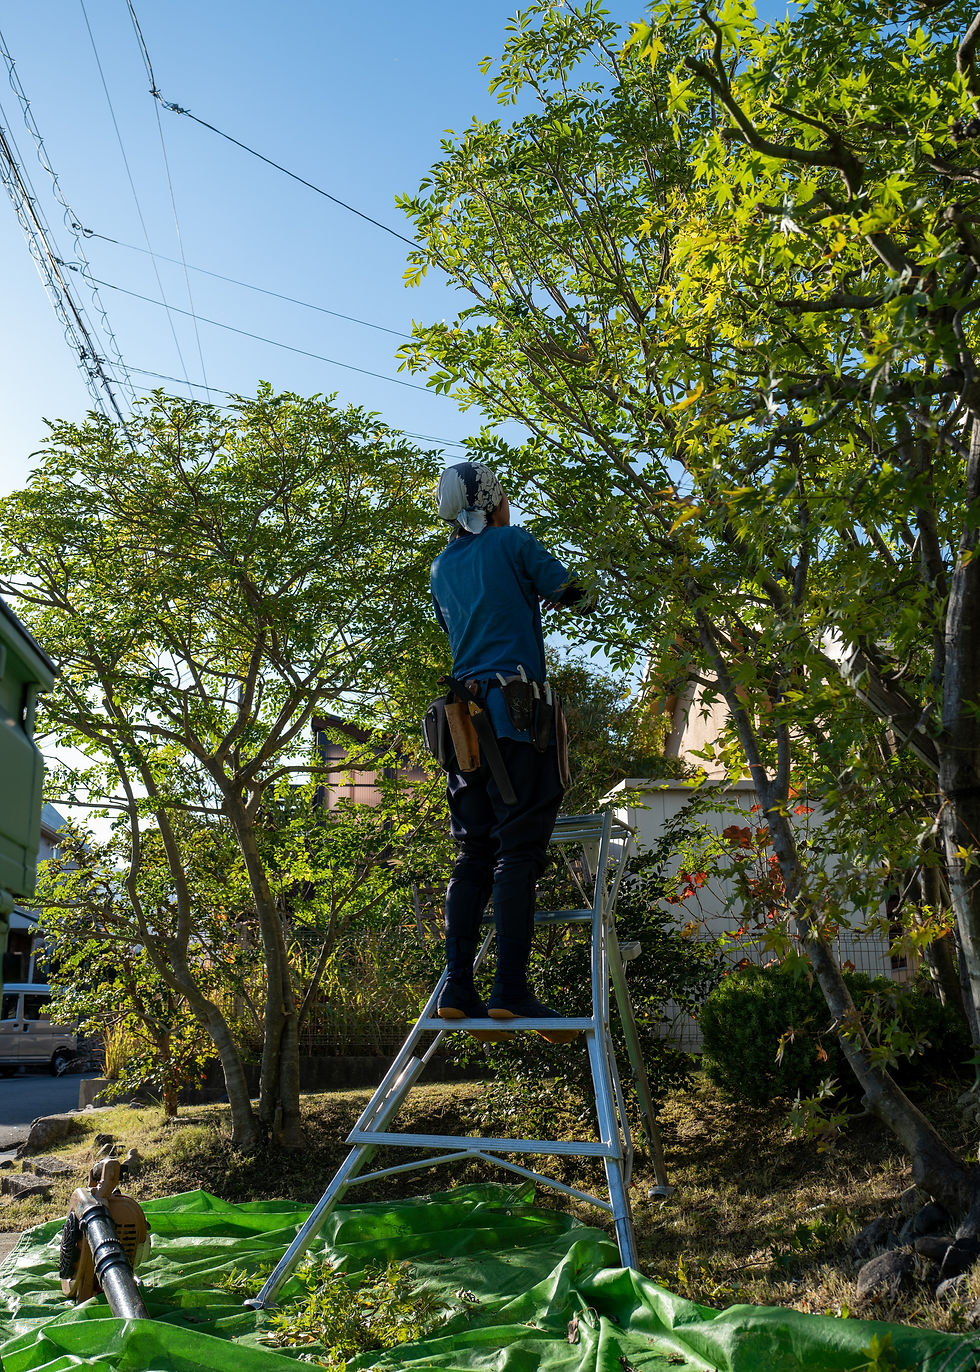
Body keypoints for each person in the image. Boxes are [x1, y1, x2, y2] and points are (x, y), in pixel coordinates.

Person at [429, 460, 593, 1039]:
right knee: (517, 852)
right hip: (515, 719)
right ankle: (511, 991)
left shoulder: (441, 567)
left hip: (462, 728)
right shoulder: (514, 542)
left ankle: (457, 987)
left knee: (473, 850)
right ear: (493, 500)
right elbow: (572, 593)